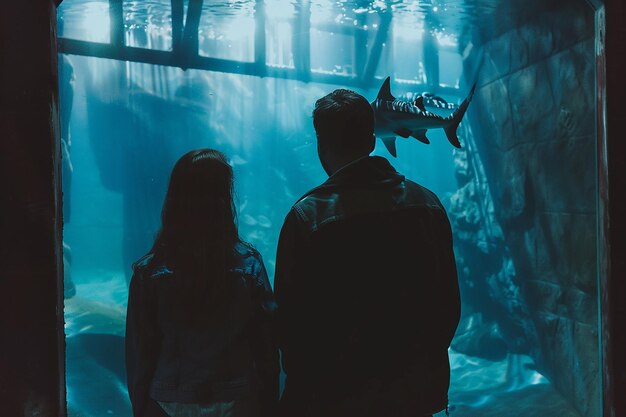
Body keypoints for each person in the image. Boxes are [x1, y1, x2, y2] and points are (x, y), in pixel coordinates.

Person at [274, 89, 461, 417]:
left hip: (335, 398)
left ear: (321, 144)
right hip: (415, 392)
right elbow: (448, 304)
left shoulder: (307, 218)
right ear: (373, 139)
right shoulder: (428, 204)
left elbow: (291, 324)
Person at [125, 149, 279, 417]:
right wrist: (269, 402)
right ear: (223, 198)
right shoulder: (249, 265)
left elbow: (140, 355)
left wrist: (141, 407)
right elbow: (266, 346)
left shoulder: (149, 273)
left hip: (166, 400)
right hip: (238, 399)